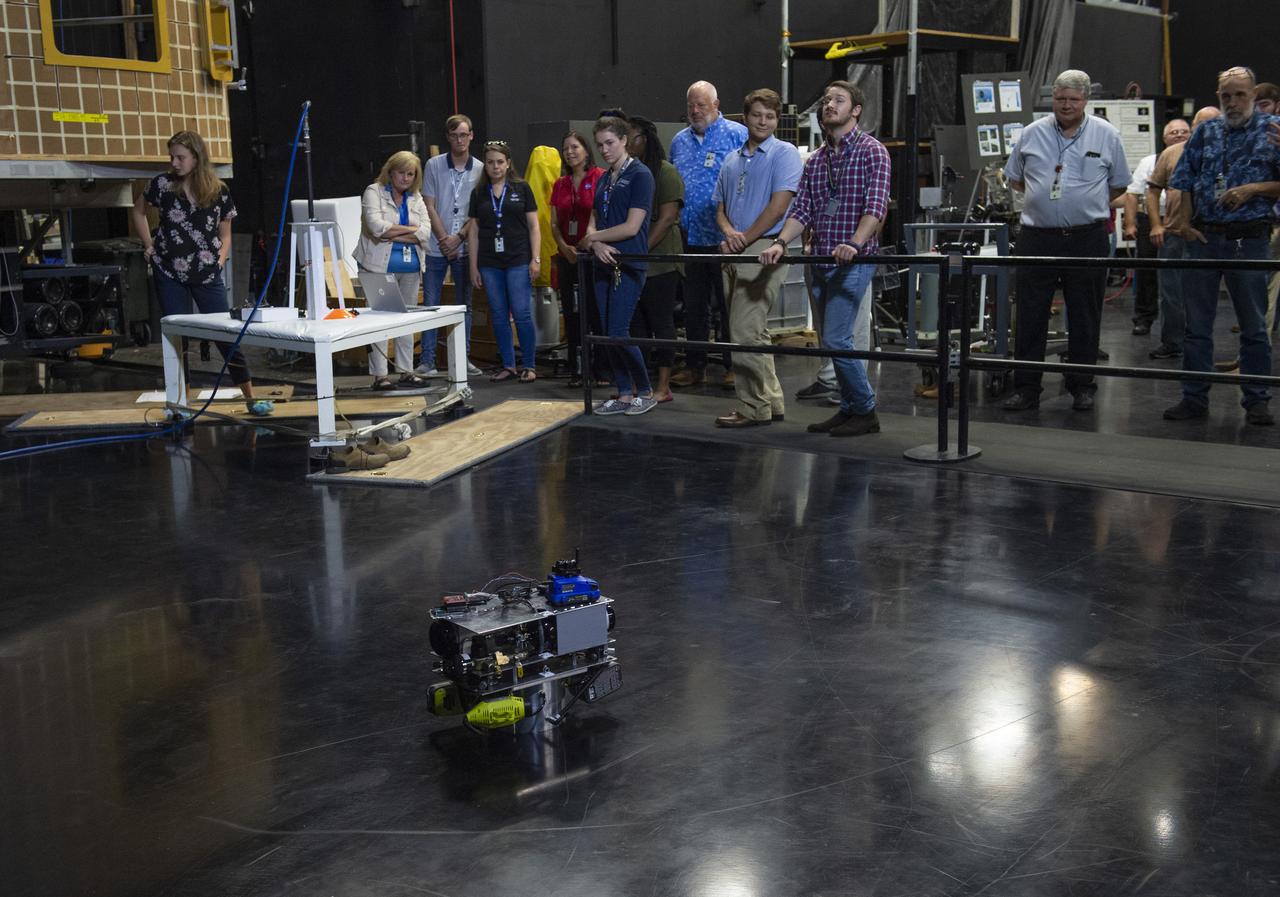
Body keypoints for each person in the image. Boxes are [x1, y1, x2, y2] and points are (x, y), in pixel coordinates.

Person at [759, 80, 891, 438]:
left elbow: (875, 207)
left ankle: (865, 409)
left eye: (839, 99)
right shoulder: (816, 160)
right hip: (819, 262)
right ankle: (849, 408)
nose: (829, 104)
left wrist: (855, 242)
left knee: (836, 338)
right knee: (829, 340)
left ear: (856, 109)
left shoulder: (872, 151)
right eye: (826, 99)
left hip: (854, 261)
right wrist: (781, 243)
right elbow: (802, 209)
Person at [1001, 69, 1131, 412]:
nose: (1066, 105)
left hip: (1086, 237)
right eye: (1060, 99)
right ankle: (1027, 388)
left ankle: (1082, 385)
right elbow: (1015, 179)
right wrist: (1046, 200)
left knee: (1085, 315)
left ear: (1085, 101)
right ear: (1052, 99)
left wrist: (1082, 202)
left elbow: (1119, 185)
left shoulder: (1106, 134)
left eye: (1073, 99)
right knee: (1030, 314)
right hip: (1037, 238)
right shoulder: (1031, 133)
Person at [1164, 66, 1280, 425]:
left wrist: (1253, 189)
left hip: (1250, 240)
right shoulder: (1206, 132)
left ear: (1253, 96)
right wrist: (1181, 224)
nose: (1233, 102)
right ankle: (1194, 398)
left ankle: (1256, 399)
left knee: (1254, 326)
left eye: (1240, 94)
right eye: (1226, 95)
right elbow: (1182, 179)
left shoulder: (1273, 132)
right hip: (1205, 238)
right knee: (1196, 325)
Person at [131, 130, 272, 417]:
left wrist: (220, 260)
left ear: (197, 157)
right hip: (169, 270)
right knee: (176, 335)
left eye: (181, 157)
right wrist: (149, 245)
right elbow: (138, 211)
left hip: (206, 273)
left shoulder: (217, 190)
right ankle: (180, 402)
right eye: (172, 157)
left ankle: (250, 397)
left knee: (225, 334)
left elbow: (226, 233)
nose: (175, 162)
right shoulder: (162, 185)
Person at [712, 88, 803, 427]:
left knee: (743, 329)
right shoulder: (732, 158)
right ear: (745, 117)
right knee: (754, 331)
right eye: (757, 115)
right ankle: (771, 402)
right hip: (735, 247)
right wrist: (728, 234)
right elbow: (719, 207)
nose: (763, 121)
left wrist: (743, 239)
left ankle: (752, 408)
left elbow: (780, 206)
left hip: (765, 246)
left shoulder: (784, 153)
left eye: (770, 116)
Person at [668, 80, 747, 388]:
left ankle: (734, 365)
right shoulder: (679, 141)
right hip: (691, 236)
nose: (695, 111)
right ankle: (695, 364)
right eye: (691, 105)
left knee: (729, 304)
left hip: (726, 237)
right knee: (694, 304)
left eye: (701, 105)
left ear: (716, 105)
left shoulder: (737, 134)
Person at [580, 116, 657, 415]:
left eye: (610, 143)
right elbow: (593, 221)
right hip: (602, 262)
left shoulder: (640, 175)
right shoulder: (603, 178)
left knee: (618, 330)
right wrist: (595, 243)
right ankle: (625, 392)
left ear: (624, 140)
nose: (605, 149)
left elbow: (632, 226)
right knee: (605, 331)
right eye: (600, 145)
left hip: (628, 262)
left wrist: (592, 238)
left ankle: (646, 389)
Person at [353, 151, 432, 390]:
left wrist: (394, 231)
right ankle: (380, 375)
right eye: (401, 173)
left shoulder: (416, 197)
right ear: (390, 171)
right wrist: (410, 230)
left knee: (404, 319)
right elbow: (377, 228)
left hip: (410, 266)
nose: (406, 178)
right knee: (380, 319)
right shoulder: (373, 192)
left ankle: (406, 371)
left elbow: (426, 232)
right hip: (377, 265)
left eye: (411, 174)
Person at [466, 140, 541, 382]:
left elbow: (534, 227)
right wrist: (473, 266)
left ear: (508, 164)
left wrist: (536, 259)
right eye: (490, 162)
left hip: (518, 258)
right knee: (498, 314)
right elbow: (474, 232)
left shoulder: (522, 188)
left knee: (521, 313)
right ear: (485, 165)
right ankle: (508, 365)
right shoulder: (478, 193)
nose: (495, 166)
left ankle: (529, 365)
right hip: (489, 262)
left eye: (500, 162)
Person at [1145, 107, 1217, 360]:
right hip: (1174, 232)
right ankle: (1173, 341)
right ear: (1194, 126)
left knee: (1203, 296)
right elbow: (1152, 190)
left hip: (1214, 234)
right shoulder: (1173, 153)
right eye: (1202, 125)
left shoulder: (1227, 153)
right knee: (1171, 295)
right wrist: (1156, 224)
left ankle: (1199, 343)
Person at [627, 115, 684, 404]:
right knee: (636, 326)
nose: (626, 142)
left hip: (660, 260)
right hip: (635, 261)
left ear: (644, 139)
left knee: (661, 323)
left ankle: (663, 385)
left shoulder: (665, 171)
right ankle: (642, 382)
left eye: (631, 137)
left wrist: (640, 248)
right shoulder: (630, 173)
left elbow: (667, 218)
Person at [420, 114, 482, 377]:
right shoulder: (434, 165)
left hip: (464, 245)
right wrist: (445, 238)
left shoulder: (479, 168)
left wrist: (459, 237)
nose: (460, 140)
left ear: (471, 136)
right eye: (455, 135)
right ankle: (428, 360)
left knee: (463, 304)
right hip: (437, 245)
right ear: (448, 137)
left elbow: (477, 211)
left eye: (464, 135)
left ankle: (462, 358)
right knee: (431, 304)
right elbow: (429, 204)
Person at [549, 130, 607, 388]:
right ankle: (576, 368)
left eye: (575, 147)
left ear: (586, 149)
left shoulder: (600, 178)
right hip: (568, 256)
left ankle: (602, 369)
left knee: (596, 312)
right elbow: (553, 223)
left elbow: (602, 214)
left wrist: (588, 242)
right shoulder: (560, 183)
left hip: (592, 254)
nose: (570, 152)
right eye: (566, 149)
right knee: (572, 315)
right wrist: (564, 247)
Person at [1124, 119, 1189, 336]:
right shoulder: (1149, 161)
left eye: (1184, 131)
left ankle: (1182, 322)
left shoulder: (1196, 158)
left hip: (1184, 221)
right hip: (1152, 220)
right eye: (1174, 132)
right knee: (1147, 272)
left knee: (1182, 276)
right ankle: (1144, 317)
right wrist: (1131, 223)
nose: (1179, 135)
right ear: (1164, 137)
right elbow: (1134, 194)